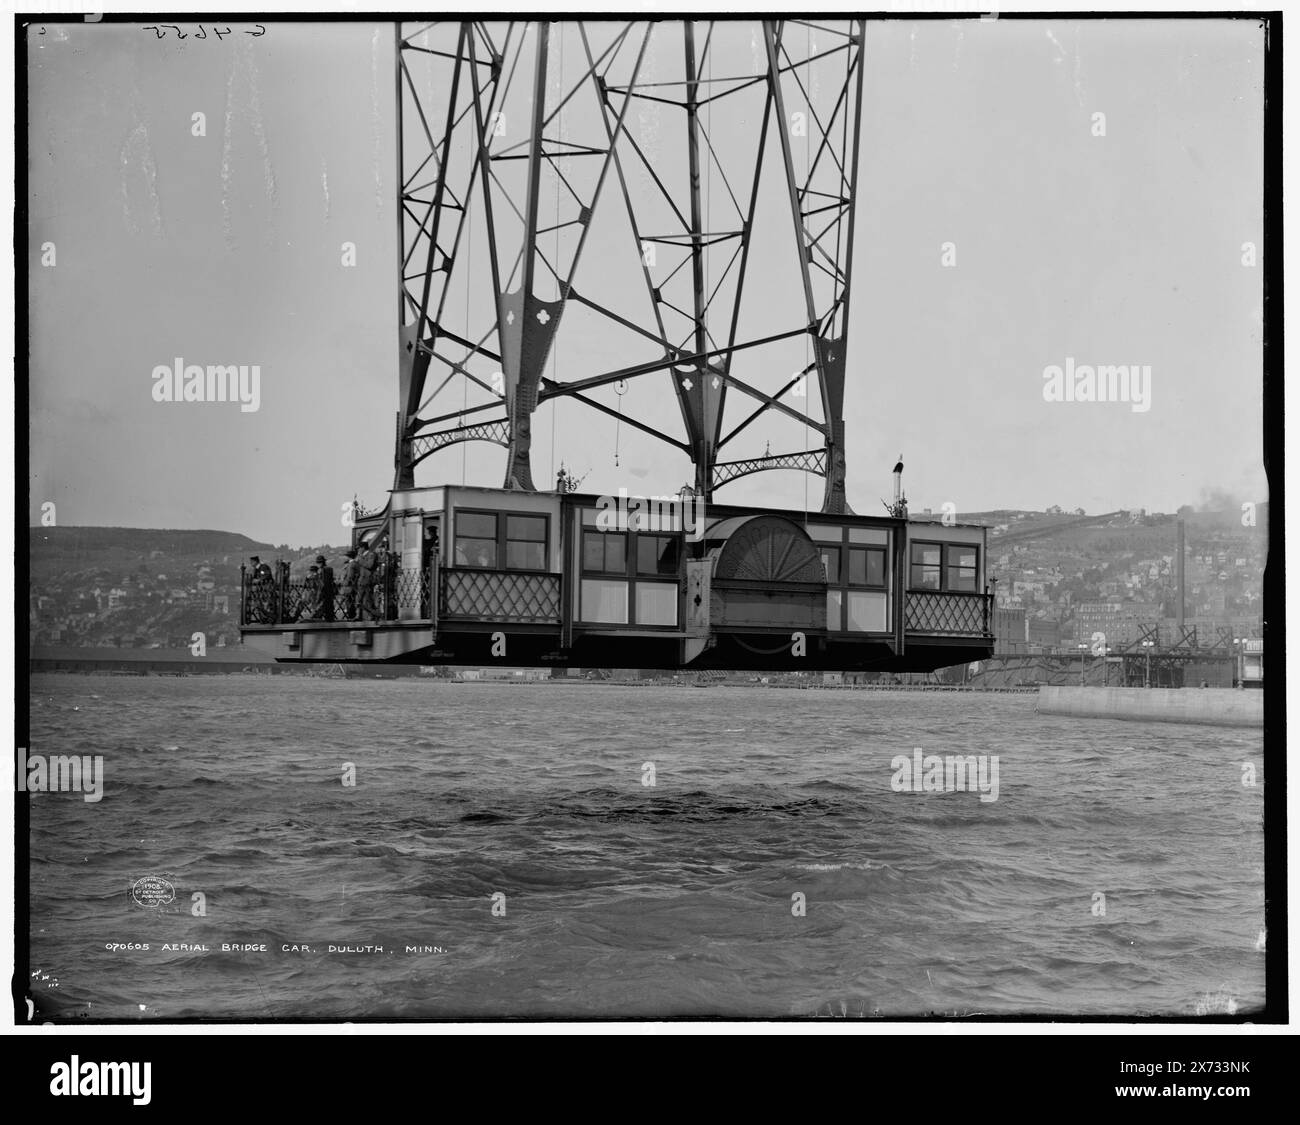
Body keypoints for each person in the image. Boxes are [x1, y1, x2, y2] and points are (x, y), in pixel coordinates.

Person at [356, 539, 379, 622]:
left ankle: (373, 615)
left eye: (359, 548)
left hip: (368, 580)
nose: (358, 550)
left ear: (363, 548)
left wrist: (360, 559)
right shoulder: (362, 557)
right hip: (362, 580)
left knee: (368, 599)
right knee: (359, 599)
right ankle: (359, 616)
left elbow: (369, 565)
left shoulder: (371, 555)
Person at [248, 555, 274, 623]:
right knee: (260, 605)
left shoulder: (263, 567)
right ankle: (263, 618)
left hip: (267, 588)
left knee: (266, 604)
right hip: (261, 590)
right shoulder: (256, 569)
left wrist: (258, 580)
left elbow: (266, 575)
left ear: (255, 562)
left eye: (251, 562)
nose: (250, 564)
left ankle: (268, 617)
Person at [340, 548, 359, 621]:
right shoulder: (354, 563)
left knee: (349, 601)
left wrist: (344, 583)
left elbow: (350, 576)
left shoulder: (351, 564)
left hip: (349, 586)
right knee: (350, 601)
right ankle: (351, 615)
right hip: (352, 585)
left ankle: (351, 615)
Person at [315, 554, 336, 621]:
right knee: (329, 608)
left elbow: (321, 583)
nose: (318, 564)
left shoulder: (320, 571)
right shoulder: (330, 569)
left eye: (319, 562)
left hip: (323, 592)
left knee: (321, 607)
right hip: (329, 591)